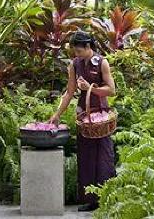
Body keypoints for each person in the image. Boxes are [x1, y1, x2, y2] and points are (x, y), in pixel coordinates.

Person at [49, 30, 117, 212]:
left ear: (88, 47)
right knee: (86, 157)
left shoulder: (102, 63)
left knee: (104, 156)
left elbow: (111, 90)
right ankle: (90, 200)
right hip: (83, 115)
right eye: (75, 52)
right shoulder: (75, 65)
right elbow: (69, 92)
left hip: (101, 115)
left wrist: (90, 89)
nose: (76, 55)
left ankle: (107, 198)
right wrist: (57, 114)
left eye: (79, 51)